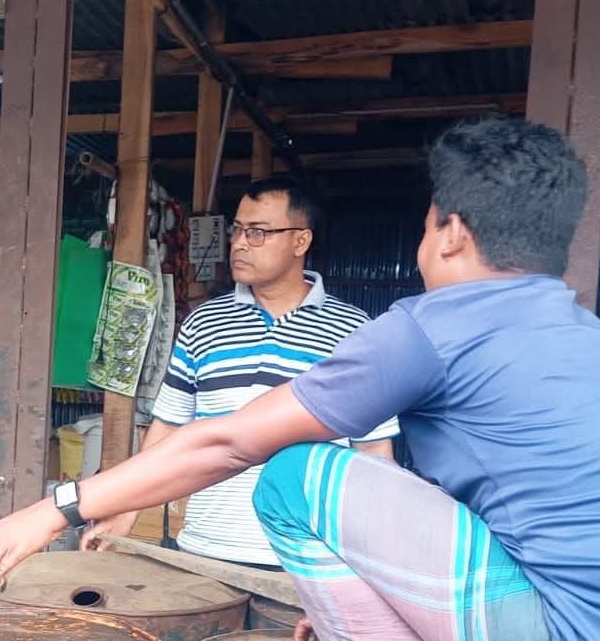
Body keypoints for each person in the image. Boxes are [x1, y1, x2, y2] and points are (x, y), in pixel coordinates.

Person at [0, 117, 600, 641]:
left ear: (452, 231)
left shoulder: (427, 330)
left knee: (293, 474)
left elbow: (229, 441)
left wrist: (56, 509)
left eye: (428, 226)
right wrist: (366, 584)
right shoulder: (597, 343)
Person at [83, 178, 397, 563]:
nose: (240, 243)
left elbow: (375, 451)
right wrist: (127, 511)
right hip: (204, 551)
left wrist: (370, 558)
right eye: (238, 229)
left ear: (301, 241)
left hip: (310, 563)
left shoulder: (354, 332)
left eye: (258, 232)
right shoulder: (204, 323)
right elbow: (166, 429)